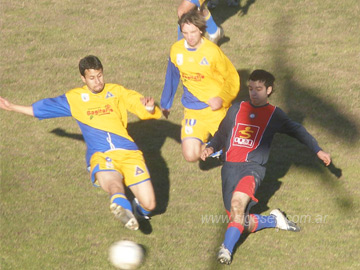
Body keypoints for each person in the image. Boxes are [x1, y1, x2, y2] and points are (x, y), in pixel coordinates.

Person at [0, 55, 162, 231]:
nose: (97, 81)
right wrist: (12, 107)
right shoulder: (75, 98)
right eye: (92, 78)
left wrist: (149, 108)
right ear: (83, 79)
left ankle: (137, 211)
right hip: (101, 154)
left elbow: (136, 103)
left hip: (129, 153)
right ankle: (122, 208)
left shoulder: (116, 91)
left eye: (99, 75)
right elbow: (43, 108)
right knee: (115, 185)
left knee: (150, 204)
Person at [201, 69, 331, 264]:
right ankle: (274, 220)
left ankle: (225, 250)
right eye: (251, 88)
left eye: (259, 89)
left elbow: (298, 131)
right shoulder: (237, 109)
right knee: (239, 220)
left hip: (252, 169)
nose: (253, 93)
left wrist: (317, 150)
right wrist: (210, 147)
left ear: (269, 90)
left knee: (237, 205)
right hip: (229, 168)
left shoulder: (274, 115)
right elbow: (221, 134)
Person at [161, 9, 240, 163]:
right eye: (185, 32)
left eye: (193, 32)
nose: (189, 37)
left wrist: (221, 98)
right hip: (193, 111)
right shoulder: (176, 50)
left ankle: (222, 148)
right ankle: (213, 146)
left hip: (215, 110)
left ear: (201, 30)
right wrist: (166, 103)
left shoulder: (212, 52)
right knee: (190, 155)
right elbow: (172, 75)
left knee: (237, 154)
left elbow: (232, 78)